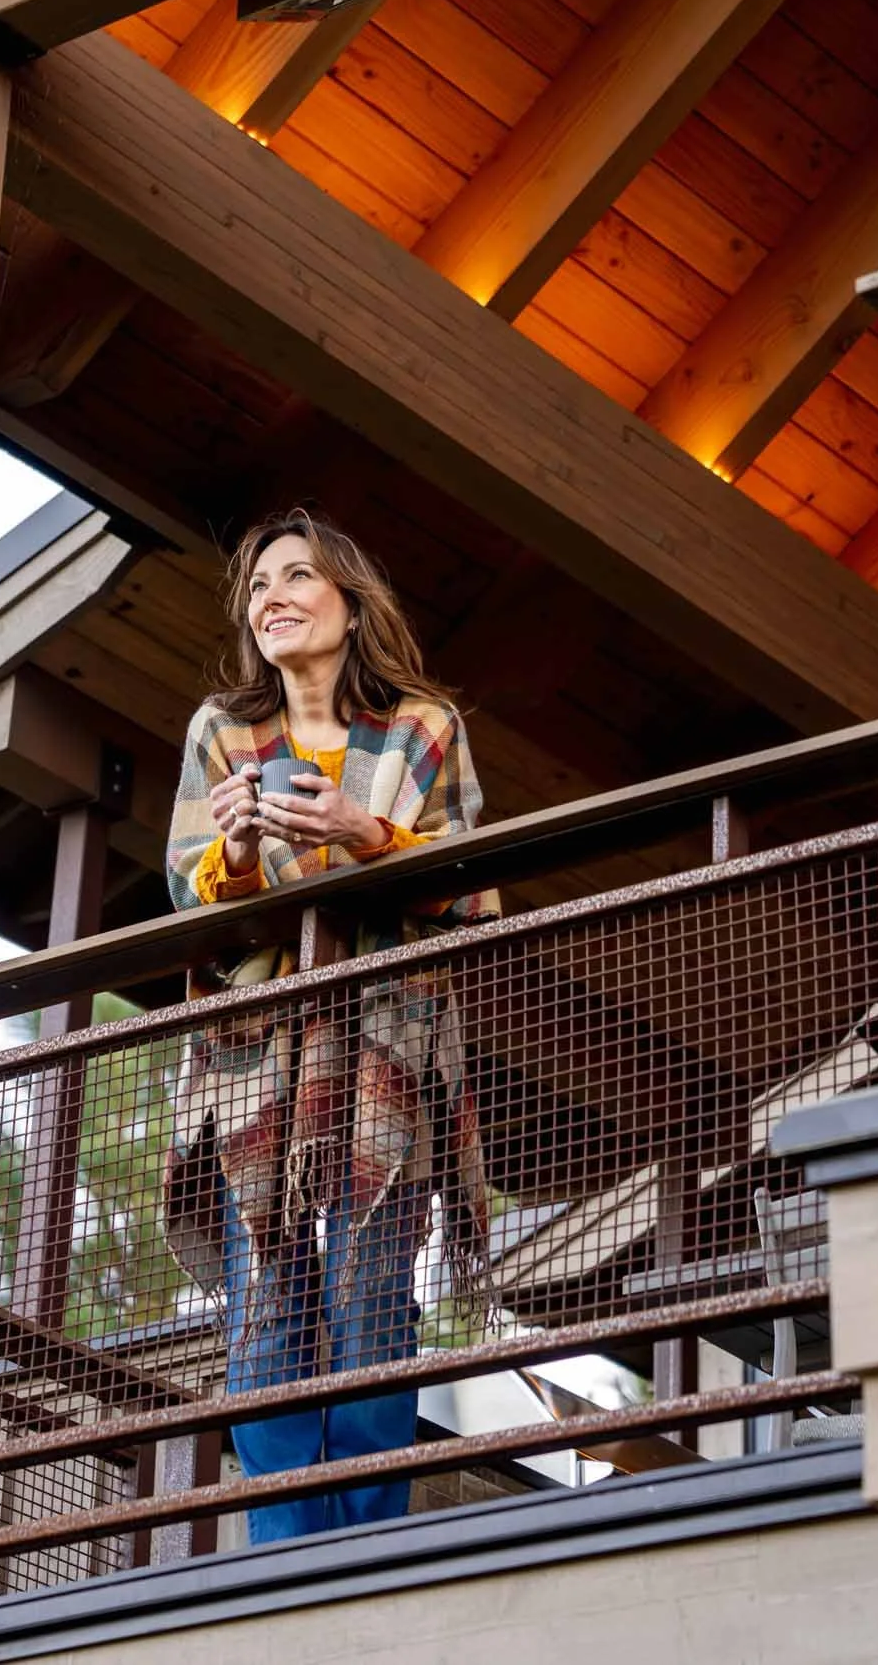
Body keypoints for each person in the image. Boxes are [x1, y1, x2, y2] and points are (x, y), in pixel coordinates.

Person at [163, 508, 497, 1544]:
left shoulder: (422, 727)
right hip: (252, 1057)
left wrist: (370, 837)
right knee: (266, 1304)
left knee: (368, 1304)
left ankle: (361, 1547)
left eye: (297, 576)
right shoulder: (220, 729)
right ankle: (278, 1547)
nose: (272, 598)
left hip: (387, 1048)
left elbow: (468, 889)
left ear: (349, 602)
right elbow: (188, 897)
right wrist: (232, 853)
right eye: (258, 587)